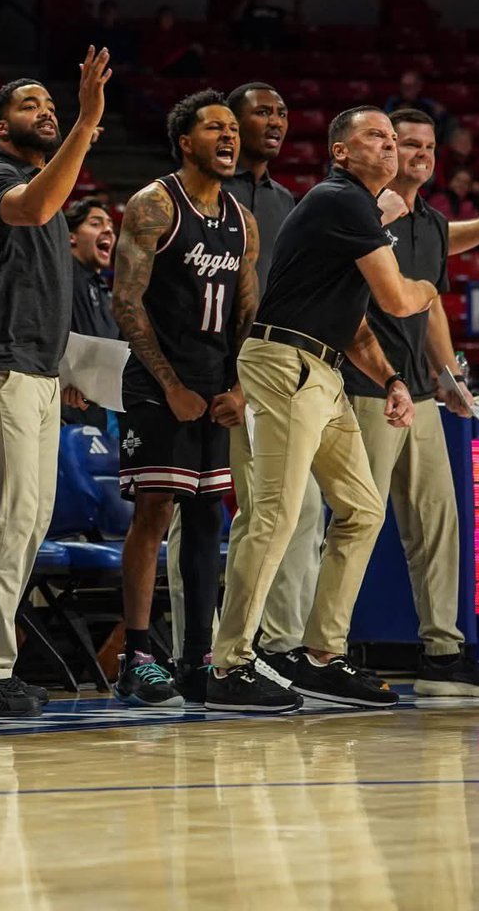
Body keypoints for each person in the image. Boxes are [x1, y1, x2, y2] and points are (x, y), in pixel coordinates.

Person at [208, 106, 436, 714]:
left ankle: (320, 657)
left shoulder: (355, 215)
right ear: (340, 151)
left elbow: (356, 322)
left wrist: (391, 378)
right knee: (276, 517)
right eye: (375, 136)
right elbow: (397, 297)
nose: (389, 145)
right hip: (281, 363)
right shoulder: (342, 200)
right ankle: (228, 664)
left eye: (394, 138)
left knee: (362, 510)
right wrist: (432, 286)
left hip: (323, 370)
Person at [341, 109, 479, 696]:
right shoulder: (361, 210)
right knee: (357, 523)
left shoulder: (426, 223)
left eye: (428, 145)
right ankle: (322, 650)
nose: (419, 152)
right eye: (406, 143)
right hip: (364, 387)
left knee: (437, 523)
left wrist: (450, 376)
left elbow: (429, 308)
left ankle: (443, 655)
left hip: (418, 395)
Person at [0, 48, 111, 717]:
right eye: (29, 104)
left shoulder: (49, 192)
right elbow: (37, 207)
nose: (43, 110)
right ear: (0, 126)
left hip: (38, 370)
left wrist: (68, 368)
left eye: (50, 104)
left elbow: (42, 291)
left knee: (32, 518)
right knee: (13, 516)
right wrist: (84, 119)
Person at [168, 82, 325, 681]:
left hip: (278, 371)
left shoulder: (292, 202)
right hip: (209, 372)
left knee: (297, 511)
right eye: (262, 111)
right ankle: (197, 650)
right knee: (202, 514)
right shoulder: (196, 193)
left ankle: (280, 646)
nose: (275, 121)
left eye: (283, 112)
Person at [112, 91, 259, 708]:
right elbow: (126, 301)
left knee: (207, 519)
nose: (229, 137)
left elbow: (249, 310)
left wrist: (238, 386)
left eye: (233, 128)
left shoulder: (241, 219)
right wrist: (170, 385)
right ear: (185, 141)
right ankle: (137, 656)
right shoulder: (154, 204)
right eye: (215, 128)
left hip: (216, 387)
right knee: (154, 515)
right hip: (158, 385)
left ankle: (198, 652)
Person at [65, 197, 119, 431]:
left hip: (95, 416)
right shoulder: (63, 275)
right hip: (61, 415)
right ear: (71, 236)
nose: (107, 229)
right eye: (95, 223)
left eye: (110, 226)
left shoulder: (104, 290)